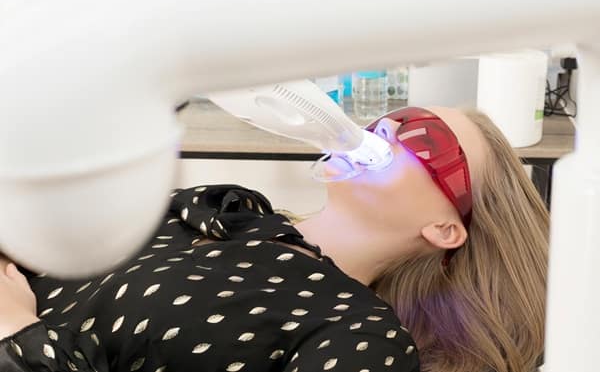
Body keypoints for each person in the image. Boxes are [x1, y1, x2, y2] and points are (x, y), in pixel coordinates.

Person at [0, 106, 548, 372]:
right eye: (391, 120)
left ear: (445, 229)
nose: (383, 132)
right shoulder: (223, 210)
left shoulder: (362, 338)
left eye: (424, 140)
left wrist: (21, 338)